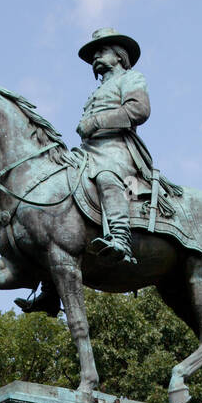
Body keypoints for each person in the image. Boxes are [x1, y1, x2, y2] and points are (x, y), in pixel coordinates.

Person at [75, 27, 155, 268]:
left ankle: (121, 238)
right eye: (94, 54)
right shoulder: (96, 91)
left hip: (117, 149)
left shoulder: (131, 78)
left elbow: (138, 110)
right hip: (87, 151)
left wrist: (97, 121)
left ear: (119, 55)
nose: (96, 57)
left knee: (106, 176)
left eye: (102, 51)